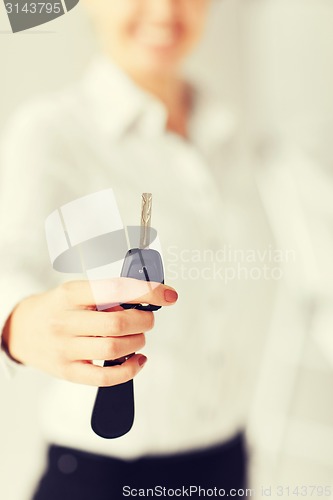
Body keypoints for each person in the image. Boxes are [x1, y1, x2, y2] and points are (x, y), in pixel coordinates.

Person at [0, 1, 276, 498]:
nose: (166, 10)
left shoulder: (235, 133)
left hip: (226, 465)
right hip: (103, 476)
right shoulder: (52, 131)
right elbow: (6, 265)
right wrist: (19, 322)